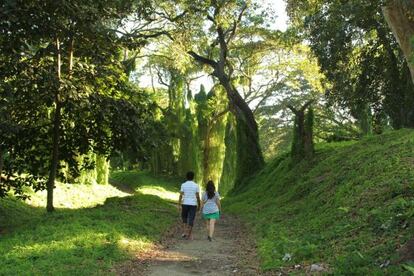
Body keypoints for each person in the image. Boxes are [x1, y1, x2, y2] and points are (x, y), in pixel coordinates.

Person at [178, 171, 201, 240]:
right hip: (193, 204)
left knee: (184, 218)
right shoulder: (196, 185)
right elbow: (197, 196)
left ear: (186, 177)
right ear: (193, 177)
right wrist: (199, 205)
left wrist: (179, 204)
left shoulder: (183, 185)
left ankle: (185, 232)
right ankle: (189, 235)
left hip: (185, 203)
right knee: (191, 219)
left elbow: (181, 195)